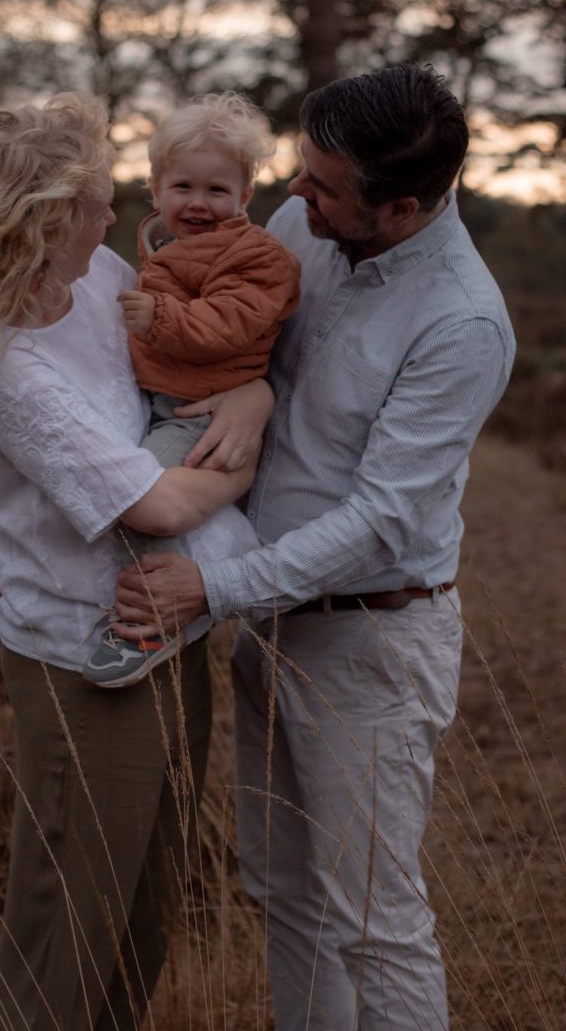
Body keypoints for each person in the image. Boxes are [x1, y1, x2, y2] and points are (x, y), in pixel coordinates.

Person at [113, 65, 516, 1030]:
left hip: (370, 644)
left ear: (405, 204)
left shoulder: (461, 323)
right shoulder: (303, 229)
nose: (294, 194)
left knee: (372, 919)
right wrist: (253, 389)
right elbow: (252, 346)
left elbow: (381, 519)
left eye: (324, 186)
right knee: (281, 891)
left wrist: (211, 588)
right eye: (303, 168)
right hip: (271, 622)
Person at [0, 94, 269, 1031]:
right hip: (84, 664)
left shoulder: (97, 278)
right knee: (68, 932)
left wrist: (249, 398)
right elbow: (160, 501)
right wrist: (248, 444)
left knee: (142, 917)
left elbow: (203, 377)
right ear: (41, 219)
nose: (113, 215)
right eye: (94, 201)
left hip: (169, 624)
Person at [83, 92, 300, 689]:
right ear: (155, 190)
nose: (198, 204)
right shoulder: (163, 246)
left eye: (217, 191)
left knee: (143, 496)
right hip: (166, 401)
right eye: (183, 187)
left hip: (206, 410)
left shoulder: (260, 258)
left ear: (244, 198)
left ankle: (150, 622)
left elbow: (229, 323)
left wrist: (160, 319)